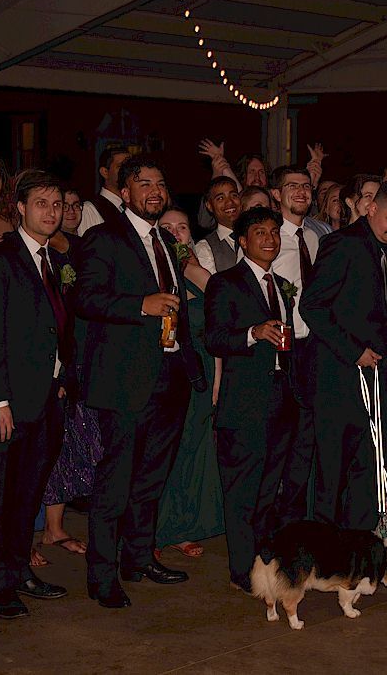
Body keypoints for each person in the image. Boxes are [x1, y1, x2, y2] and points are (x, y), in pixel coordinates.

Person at [75, 155, 205, 609]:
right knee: (116, 481)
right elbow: (85, 296)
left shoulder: (167, 241)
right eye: (143, 183)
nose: (154, 190)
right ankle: (102, 575)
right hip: (125, 381)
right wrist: (139, 305)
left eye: (160, 183)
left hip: (170, 376)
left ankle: (138, 558)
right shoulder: (103, 237)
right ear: (124, 192)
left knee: (152, 478)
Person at [0, 170, 72, 619]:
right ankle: (0, 586)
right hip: (5, 404)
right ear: (20, 209)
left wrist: (63, 375)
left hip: (46, 398)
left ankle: (19, 570)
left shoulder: (54, 258)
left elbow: (56, 326)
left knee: (28, 494)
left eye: (56, 205)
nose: (51, 212)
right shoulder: (1, 257)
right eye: (41, 204)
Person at [300, 179, 387, 531]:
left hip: (374, 375)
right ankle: (324, 553)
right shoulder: (341, 244)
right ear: (371, 209)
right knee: (332, 469)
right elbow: (313, 307)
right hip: (338, 376)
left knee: (370, 463)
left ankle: (358, 545)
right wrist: (354, 352)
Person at [204, 207, 299, 593]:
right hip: (244, 402)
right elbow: (214, 338)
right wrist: (252, 332)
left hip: (280, 398)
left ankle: (262, 562)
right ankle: (241, 570)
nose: (270, 239)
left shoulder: (279, 284)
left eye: (274, 232)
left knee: (268, 488)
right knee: (242, 489)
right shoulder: (226, 283)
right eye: (259, 232)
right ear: (242, 241)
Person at [155, 208, 224, 559]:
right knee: (164, 451)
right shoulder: (153, 270)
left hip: (203, 367)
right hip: (166, 368)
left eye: (182, 227)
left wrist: (217, 383)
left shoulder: (197, 273)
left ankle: (182, 526)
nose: (176, 232)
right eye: (167, 227)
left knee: (194, 451)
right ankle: (154, 531)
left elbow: (217, 322)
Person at [39, 188, 99, 556]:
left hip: (85, 354)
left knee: (78, 445)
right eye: (64, 204)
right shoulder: (40, 249)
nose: (70, 211)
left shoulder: (85, 247)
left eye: (76, 205)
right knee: (53, 443)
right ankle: (46, 530)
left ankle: (55, 527)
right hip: (56, 356)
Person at [270, 167, 321, 524]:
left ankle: (296, 517)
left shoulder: (316, 238)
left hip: (314, 348)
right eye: (292, 187)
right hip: (281, 350)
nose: (301, 192)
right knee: (280, 440)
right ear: (277, 194)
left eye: (306, 186)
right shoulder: (269, 239)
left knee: (307, 439)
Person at [77, 146, 131, 235]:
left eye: (131, 167)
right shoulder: (89, 210)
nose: (128, 171)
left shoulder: (133, 206)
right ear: (105, 172)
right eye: (121, 166)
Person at [193, 177, 242, 275]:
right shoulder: (205, 247)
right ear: (209, 206)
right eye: (220, 198)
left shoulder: (255, 237)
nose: (230, 202)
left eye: (234, 195)